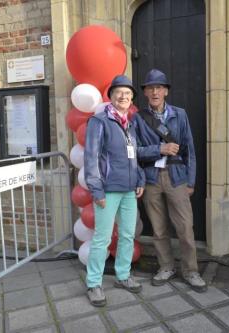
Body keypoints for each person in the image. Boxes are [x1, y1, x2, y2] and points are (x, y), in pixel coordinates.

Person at [133, 69, 207, 293]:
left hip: (177, 177)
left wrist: (191, 181)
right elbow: (135, 151)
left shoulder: (180, 114)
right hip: (152, 179)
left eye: (159, 88)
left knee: (185, 227)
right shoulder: (138, 118)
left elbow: (190, 151)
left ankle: (191, 271)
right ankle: (166, 267)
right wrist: (160, 149)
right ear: (145, 93)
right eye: (150, 88)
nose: (154, 91)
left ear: (165, 91)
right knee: (158, 229)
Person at [84, 75, 145, 307]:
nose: (123, 96)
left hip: (129, 190)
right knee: (102, 238)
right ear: (110, 96)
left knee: (128, 234)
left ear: (131, 99)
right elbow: (91, 158)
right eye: (119, 92)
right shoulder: (99, 122)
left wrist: (139, 177)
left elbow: (134, 155)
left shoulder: (129, 124)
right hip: (108, 190)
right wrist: (96, 190)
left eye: (128, 94)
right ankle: (94, 283)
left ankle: (122, 275)